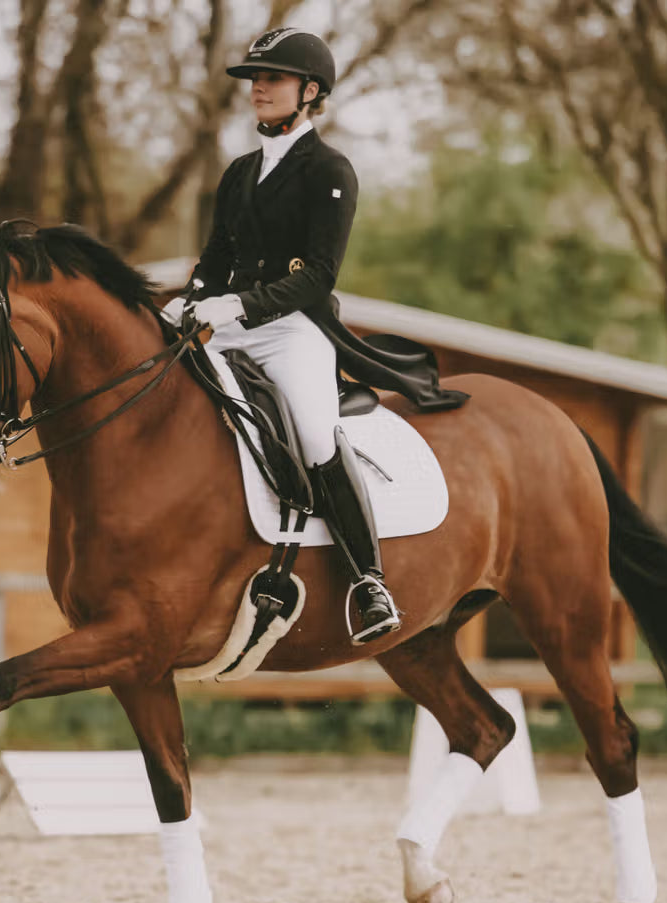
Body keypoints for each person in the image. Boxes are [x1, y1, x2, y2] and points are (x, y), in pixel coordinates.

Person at [167, 28, 465, 644]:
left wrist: (238, 307)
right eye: (255, 79)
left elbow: (319, 276)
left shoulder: (329, 171)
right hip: (227, 323)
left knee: (311, 432)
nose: (258, 88)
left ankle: (368, 580)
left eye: (271, 78)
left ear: (309, 91)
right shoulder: (239, 172)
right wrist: (192, 301)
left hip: (293, 330)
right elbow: (216, 255)